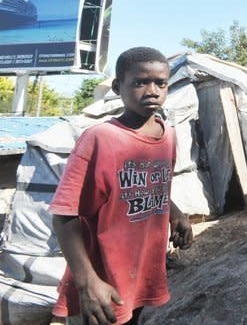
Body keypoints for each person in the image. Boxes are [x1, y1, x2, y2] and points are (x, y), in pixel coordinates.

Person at [50, 47, 193, 325]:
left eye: (160, 83)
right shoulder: (100, 139)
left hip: (140, 272)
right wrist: (87, 282)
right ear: (118, 87)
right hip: (101, 281)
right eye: (140, 82)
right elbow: (63, 215)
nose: (152, 90)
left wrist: (175, 214)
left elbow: (155, 185)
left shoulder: (168, 136)